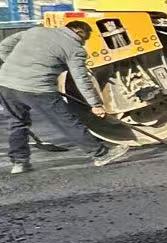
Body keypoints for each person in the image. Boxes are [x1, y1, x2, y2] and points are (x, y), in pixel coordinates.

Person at [0, 15, 130, 172]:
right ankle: (100, 154)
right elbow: (81, 79)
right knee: (66, 122)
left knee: (17, 123)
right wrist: (95, 104)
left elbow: (4, 47)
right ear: (79, 31)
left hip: (6, 84)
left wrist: (16, 67)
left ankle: (19, 163)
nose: (84, 42)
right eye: (85, 38)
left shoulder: (35, 31)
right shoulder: (74, 49)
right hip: (39, 89)